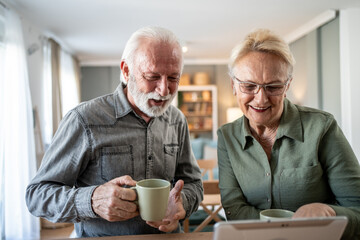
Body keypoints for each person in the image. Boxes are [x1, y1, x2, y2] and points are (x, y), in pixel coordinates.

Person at [26, 26, 203, 237]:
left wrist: (181, 204)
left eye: (173, 78)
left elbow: (193, 184)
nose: (164, 90)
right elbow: (37, 196)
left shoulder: (177, 121)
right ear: (126, 71)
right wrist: (91, 201)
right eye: (152, 76)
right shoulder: (84, 120)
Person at [217, 28, 360, 239]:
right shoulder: (227, 137)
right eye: (249, 86)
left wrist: (330, 212)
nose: (261, 99)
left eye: (273, 87)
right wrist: (285, 231)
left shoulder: (322, 127)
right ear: (233, 86)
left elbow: (357, 208)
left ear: (287, 86)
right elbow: (235, 210)